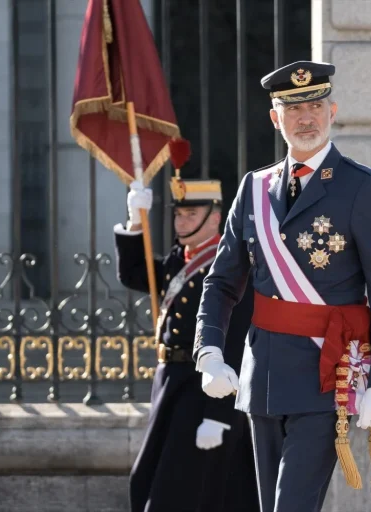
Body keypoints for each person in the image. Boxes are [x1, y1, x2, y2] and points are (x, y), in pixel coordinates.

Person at [191, 60, 371, 512]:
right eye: (293, 109)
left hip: (327, 377)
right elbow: (222, 281)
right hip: (263, 376)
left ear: (332, 111)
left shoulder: (362, 187)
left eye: (315, 105)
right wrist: (209, 351)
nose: (305, 118)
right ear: (276, 118)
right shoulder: (253, 189)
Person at [114, 163, 259, 512]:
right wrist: (136, 221)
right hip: (170, 385)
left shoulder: (227, 267)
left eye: (190, 213)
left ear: (214, 218)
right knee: (153, 479)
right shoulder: (182, 258)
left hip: (202, 392)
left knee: (177, 491)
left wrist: (219, 415)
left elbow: (237, 342)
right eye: (178, 214)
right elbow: (136, 275)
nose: (180, 222)